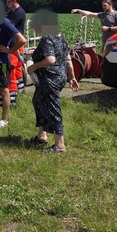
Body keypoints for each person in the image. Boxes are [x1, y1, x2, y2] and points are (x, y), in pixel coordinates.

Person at [26, 10, 79, 153]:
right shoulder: (61, 37)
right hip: (59, 77)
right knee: (38, 101)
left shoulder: (47, 38)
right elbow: (67, 59)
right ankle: (42, 135)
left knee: (53, 108)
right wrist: (72, 77)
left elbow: (50, 60)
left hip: (51, 79)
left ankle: (60, 145)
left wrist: (33, 66)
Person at [5, 0, 26, 105]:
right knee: (17, 68)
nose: (7, 4)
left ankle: (12, 97)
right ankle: (21, 90)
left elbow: (9, 25)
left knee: (12, 68)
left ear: (14, 1)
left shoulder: (19, 13)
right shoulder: (12, 12)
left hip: (15, 45)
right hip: (15, 44)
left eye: (8, 2)